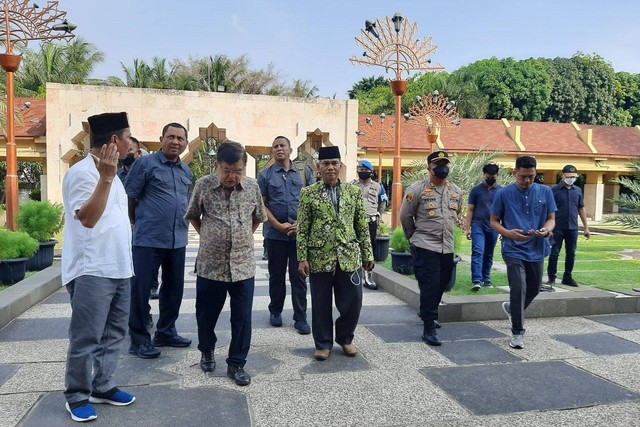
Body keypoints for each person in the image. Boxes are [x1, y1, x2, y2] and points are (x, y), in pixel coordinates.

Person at [61, 112, 136, 422]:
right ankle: (76, 395)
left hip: (119, 268)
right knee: (87, 336)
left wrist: (110, 176)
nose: (132, 142)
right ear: (115, 141)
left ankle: (102, 386)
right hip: (92, 270)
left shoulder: (114, 174)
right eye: (129, 136)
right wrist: (105, 178)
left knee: (115, 333)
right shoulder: (82, 173)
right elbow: (88, 219)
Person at [185, 141, 267, 386]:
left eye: (238, 170)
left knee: (242, 318)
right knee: (206, 315)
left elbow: (259, 218)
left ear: (244, 168)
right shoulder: (204, 185)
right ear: (217, 165)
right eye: (227, 170)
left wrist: (243, 238)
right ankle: (207, 350)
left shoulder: (252, 187)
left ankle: (237, 363)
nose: (232, 176)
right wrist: (208, 236)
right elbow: (192, 215)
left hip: (243, 266)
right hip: (211, 266)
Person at [297, 146, 374, 361]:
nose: (330, 167)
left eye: (334, 163)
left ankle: (345, 338)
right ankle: (322, 343)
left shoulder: (354, 192)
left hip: (349, 256)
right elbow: (302, 228)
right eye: (325, 164)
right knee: (321, 303)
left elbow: (361, 225)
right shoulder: (308, 193)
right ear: (318, 168)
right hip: (320, 257)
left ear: (340, 166)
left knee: (353, 301)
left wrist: (368, 254)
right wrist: (302, 258)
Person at [125, 122, 192, 359]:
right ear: (161, 138)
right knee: (141, 290)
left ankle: (165, 331)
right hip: (148, 239)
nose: (175, 142)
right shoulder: (145, 164)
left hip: (177, 239)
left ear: (185, 143)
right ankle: (139, 339)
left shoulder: (186, 171)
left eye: (180, 138)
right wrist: (136, 223)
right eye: (171, 137)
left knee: (174, 289)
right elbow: (130, 198)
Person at [490, 156, 556, 349]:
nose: (527, 181)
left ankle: (512, 309)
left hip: (537, 247)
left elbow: (551, 218)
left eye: (531, 176)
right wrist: (508, 233)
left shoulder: (545, 192)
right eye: (523, 177)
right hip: (513, 248)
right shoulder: (503, 194)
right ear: (514, 173)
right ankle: (517, 332)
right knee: (518, 287)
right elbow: (494, 221)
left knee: (534, 288)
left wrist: (546, 229)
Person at [400, 150, 463, 346]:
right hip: (425, 245)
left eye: (445, 164)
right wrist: (413, 238)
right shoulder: (416, 190)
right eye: (437, 165)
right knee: (429, 286)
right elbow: (405, 216)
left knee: (443, 283)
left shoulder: (457, 191)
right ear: (429, 168)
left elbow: (456, 214)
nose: (442, 168)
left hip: (447, 246)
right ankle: (429, 327)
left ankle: (428, 312)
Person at [258, 136, 315, 334]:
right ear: (272, 151)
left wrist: (302, 224)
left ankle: (300, 317)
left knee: (299, 275)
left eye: (283, 145)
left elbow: (312, 200)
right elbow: (262, 204)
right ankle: (275, 311)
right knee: (276, 276)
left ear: (291, 150)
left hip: (300, 235)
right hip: (275, 235)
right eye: (275, 146)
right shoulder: (265, 175)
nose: (279, 149)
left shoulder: (304, 172)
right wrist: (278, 226)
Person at [544, 164, 590, 291]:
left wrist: (586, 227)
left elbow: (581, 208)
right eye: (569, 176)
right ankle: (551, 278)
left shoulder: (578, 190)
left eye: (574, 177)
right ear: (562, 175)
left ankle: (567, 277)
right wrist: (548, 229)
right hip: (557, 228)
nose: (571, 178)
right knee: (554, 254)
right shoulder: (554, 191)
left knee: (571, 253)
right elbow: (547, 210)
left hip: (573, 228)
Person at [351, 159, 388, 290]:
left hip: (371, 220)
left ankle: (368, 276)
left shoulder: (378, 186)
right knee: (355, 247)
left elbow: (383, 202)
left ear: (371, 172)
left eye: (366, 170)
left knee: (370, 249)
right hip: (355, 221)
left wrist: (379, 214)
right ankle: (355, 274)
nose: (363, 172)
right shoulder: (352, 185)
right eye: (361, 170)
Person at [465, 163, 501, 291]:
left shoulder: (501, 191)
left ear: (497, 175)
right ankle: (476, 280)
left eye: (493, 176)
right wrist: (467, 228)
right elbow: (470, 210)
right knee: (478, 251)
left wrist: (504, 230)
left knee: (489, 254)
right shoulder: (476, 190)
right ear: (484, 175)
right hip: (478, 225)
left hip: (494, 227)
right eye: (488, 175)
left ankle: (486, 279)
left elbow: (505, 211)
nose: (490, 178)